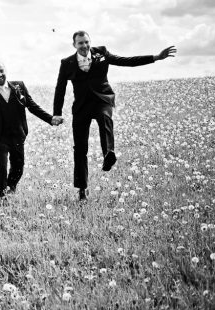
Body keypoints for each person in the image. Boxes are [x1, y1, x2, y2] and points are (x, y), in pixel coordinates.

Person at [53, 31, 176, 201]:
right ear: (74, 45)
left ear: (90, 42)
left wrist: (155, 57)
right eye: (80, 43)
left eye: (86, 42)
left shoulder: (101, 53)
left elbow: (126, 61)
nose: (84, 45)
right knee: (80, 149)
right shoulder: (67, 63)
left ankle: (108, 153)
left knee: (105, 118)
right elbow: (60, 88)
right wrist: (57, 113)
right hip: (81, 107)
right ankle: (82, 189)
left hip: (102, 100)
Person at [0, 61, 62, 201]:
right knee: (1, 166)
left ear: (6, 71)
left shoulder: (18, 86)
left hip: (17, 134)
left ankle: (11, 187)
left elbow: (32, 106)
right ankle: (2, 197)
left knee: (18, 166)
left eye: (1, 71)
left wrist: (50, 119)